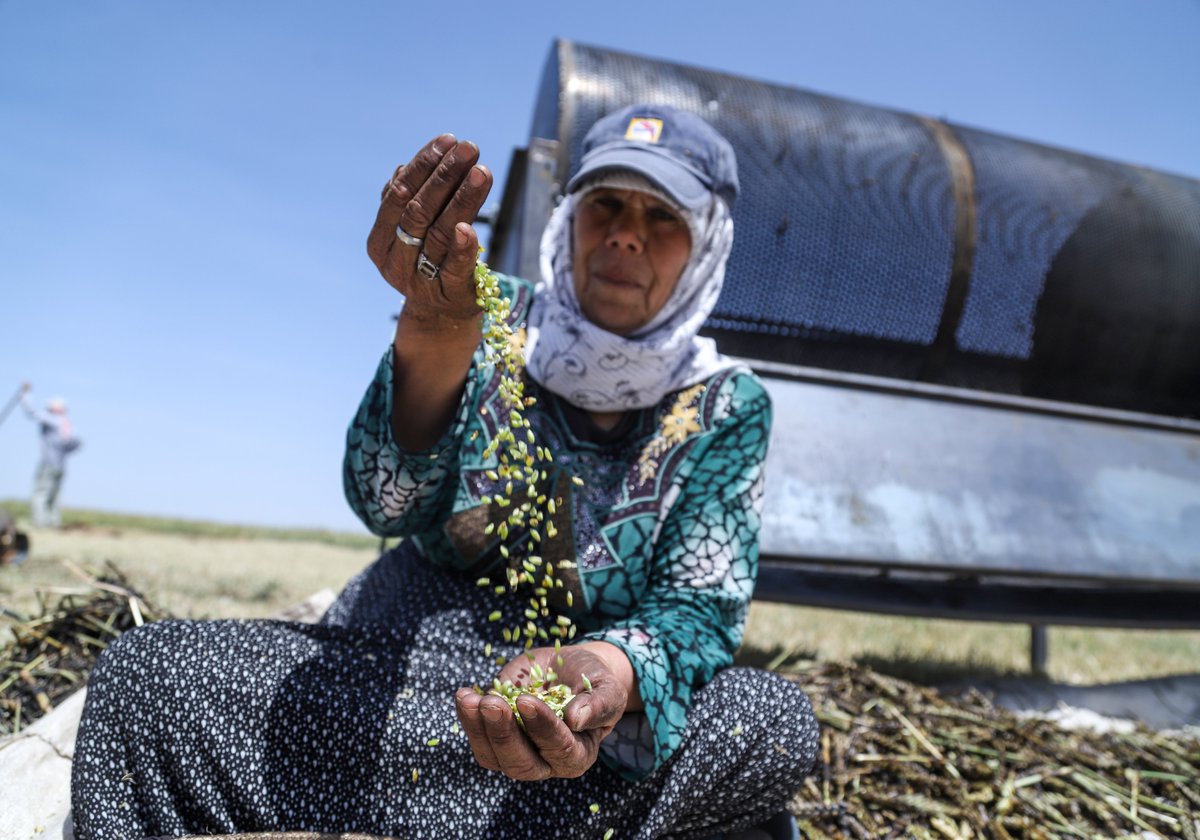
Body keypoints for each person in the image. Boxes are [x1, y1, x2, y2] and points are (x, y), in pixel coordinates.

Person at [70, 103, 819, 840]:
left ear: (707, 245)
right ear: (570, 219)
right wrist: (431, 334)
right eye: (608, 206)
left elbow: (695, 611)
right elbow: (384, 500)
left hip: (586, 729)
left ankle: (395, 806)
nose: (627, 234)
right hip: (410, 678)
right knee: (148, 674)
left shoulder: (727, 404)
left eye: (663, 219)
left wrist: (608, 671)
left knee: (772, 724)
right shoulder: (482, 313)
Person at [19, 383, 81, 528]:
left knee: (40, 494)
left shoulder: (51, 419)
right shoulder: (68, 425)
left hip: (48, 463)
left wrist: (25, 395)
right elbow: (77, 443)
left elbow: (32, 412)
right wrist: (62, 451)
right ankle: (53, 523)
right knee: (54, 496)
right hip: (61, 465)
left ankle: (40, 524)